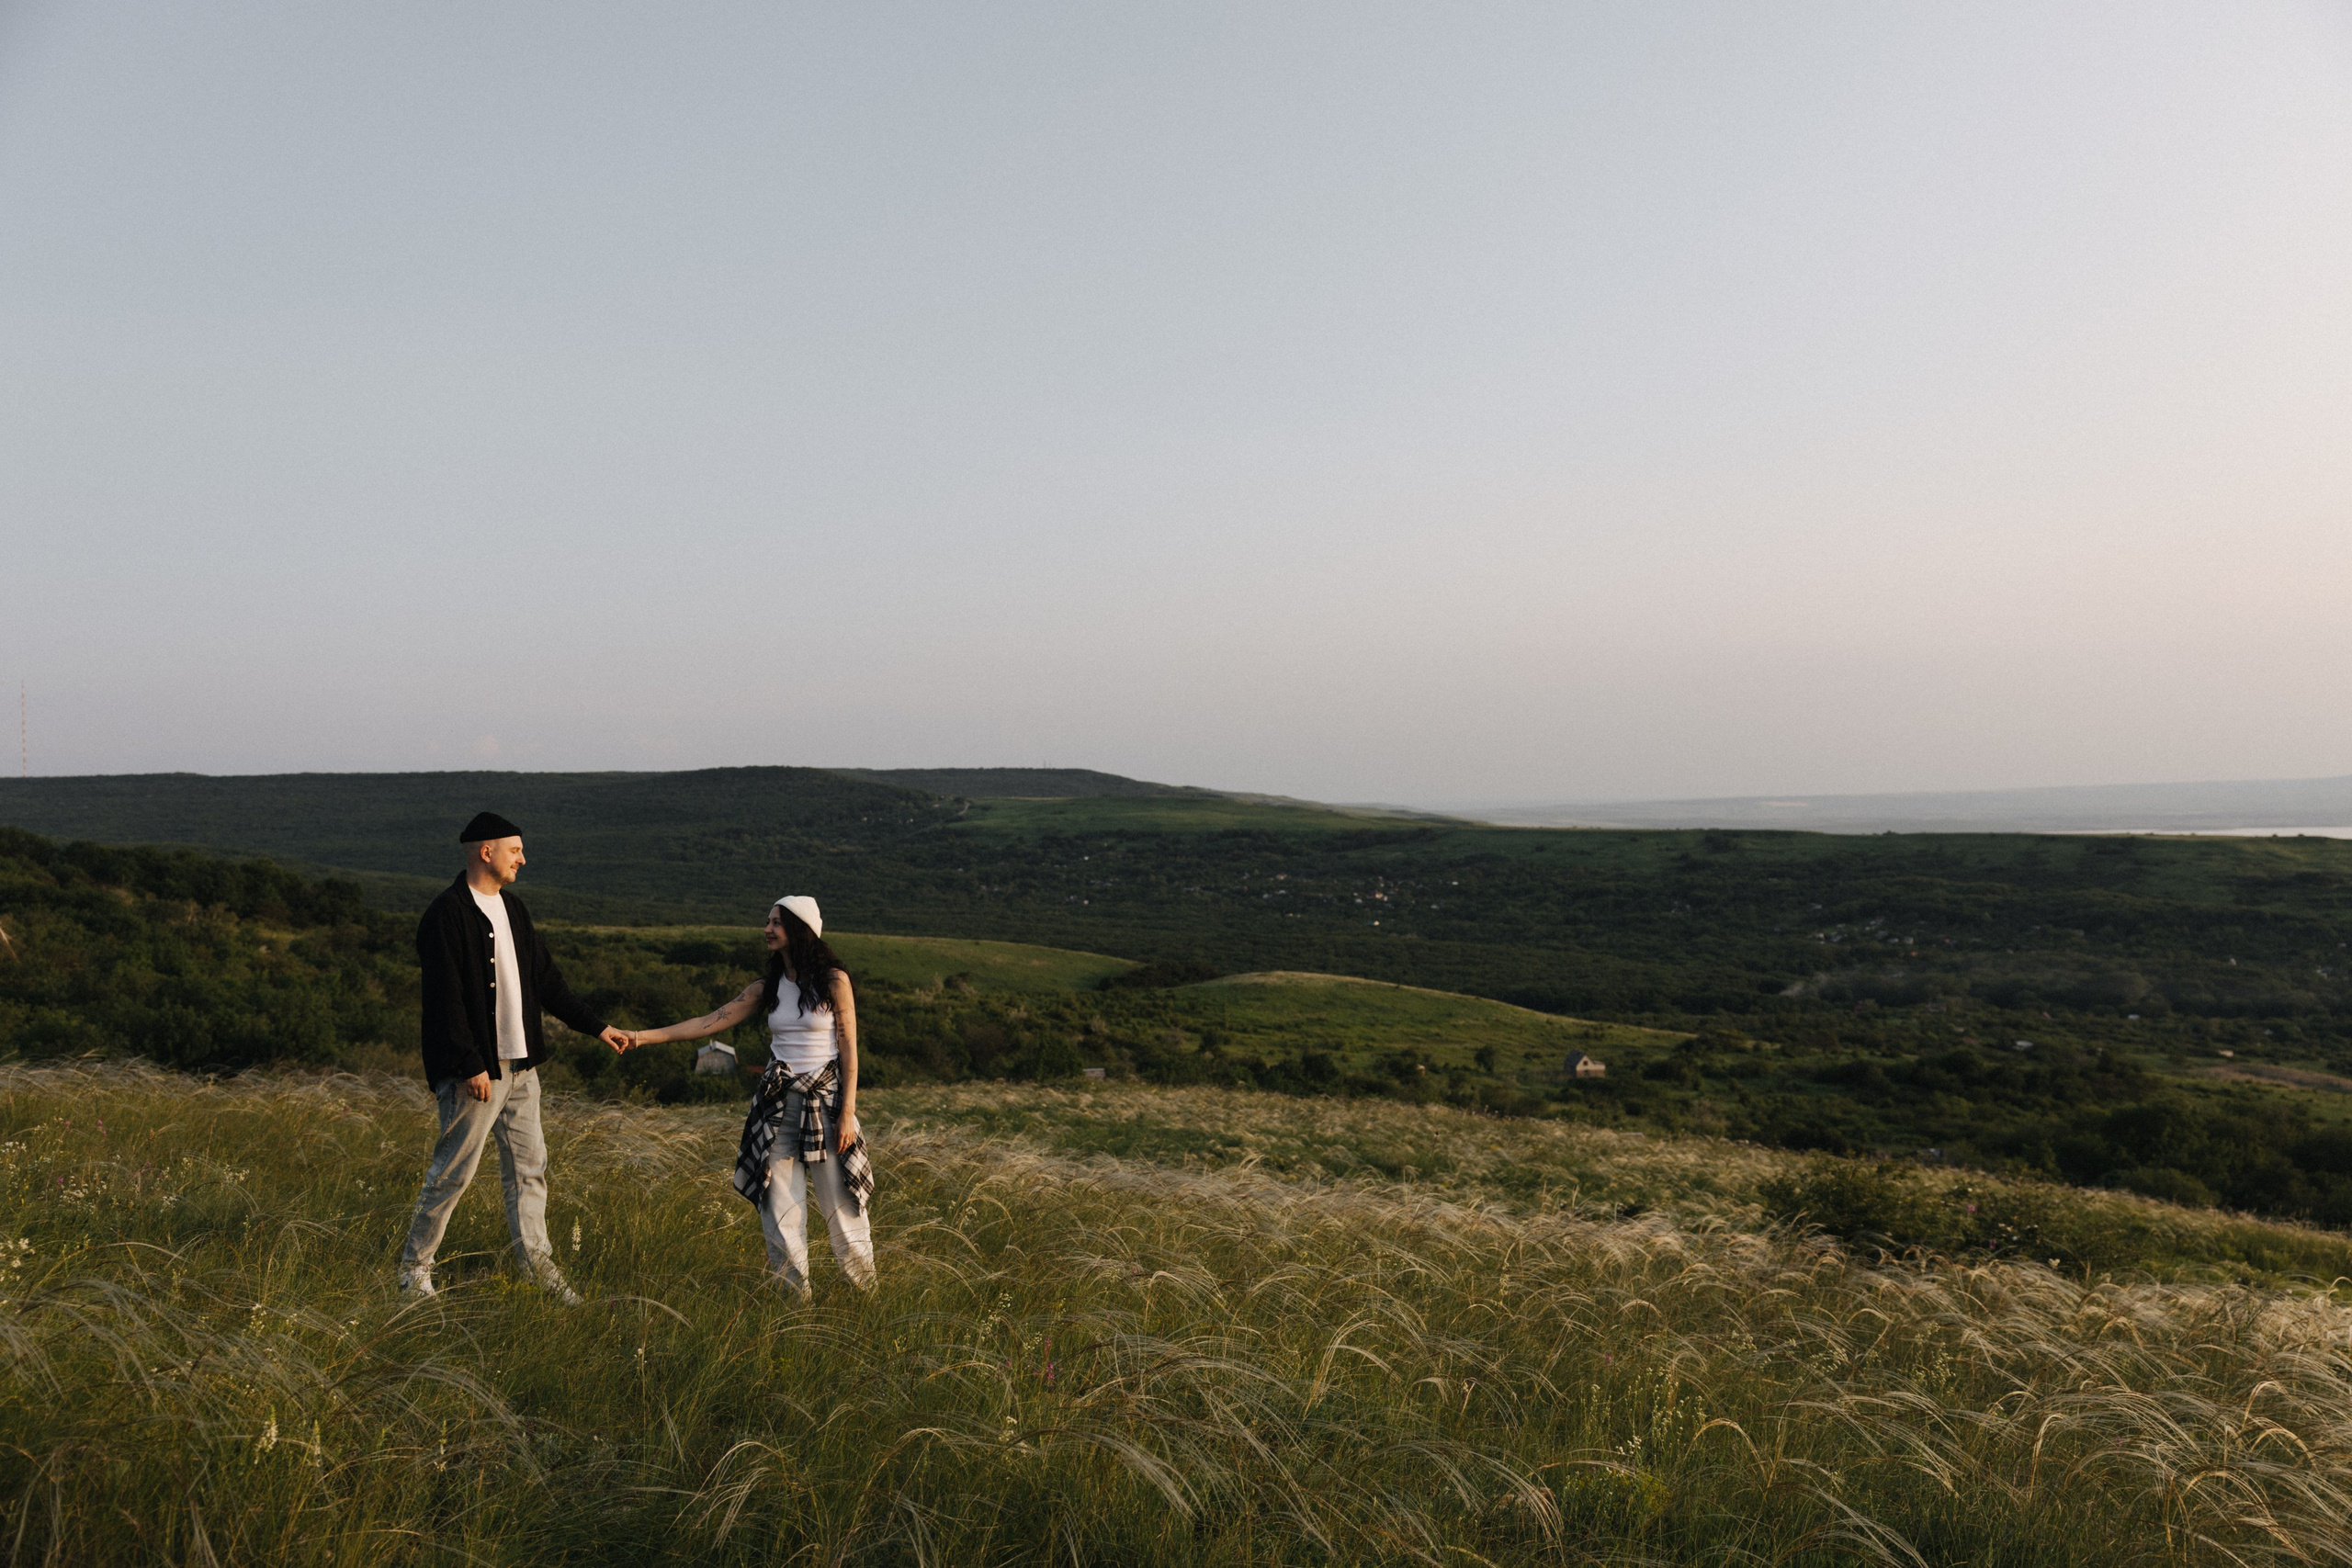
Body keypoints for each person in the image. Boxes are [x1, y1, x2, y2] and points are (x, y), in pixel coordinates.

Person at [400, 811, 628, 1301]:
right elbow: (445, 998)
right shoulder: (447, 914)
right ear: (486, 852)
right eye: (515, 850)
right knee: (454, 1171)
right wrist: (469, 1064)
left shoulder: (514, 910)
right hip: (476, 1072)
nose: (523, 859)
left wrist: (598, 1026)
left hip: (521, 1067)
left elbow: (547, 981)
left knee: (530, 1169)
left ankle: (537, 1268)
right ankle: (413, 1271)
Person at [619, 895, 875, 1294]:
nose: (768, 929)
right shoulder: (767, 987)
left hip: (826, 1107)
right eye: (768, 921)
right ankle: (794, 1302)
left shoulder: (833, 981)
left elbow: (849, 1048)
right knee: (779, 1212)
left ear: (800, 929)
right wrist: (639, 1038)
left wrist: (847, 1113)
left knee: (842, 1212)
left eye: (776, 922)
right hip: (775, 1109)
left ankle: (865, 1298)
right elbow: (709, 1022)